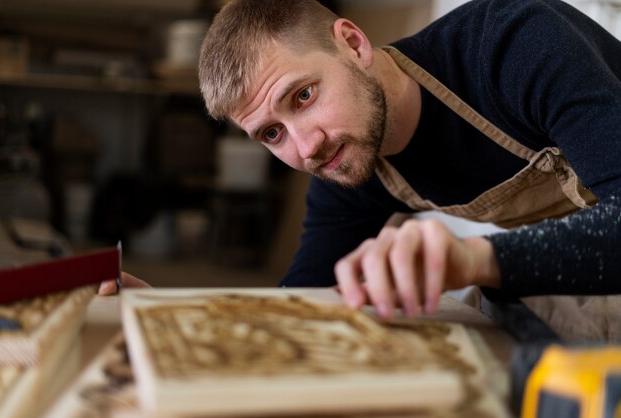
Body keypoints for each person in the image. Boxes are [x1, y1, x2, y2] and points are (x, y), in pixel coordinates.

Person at [113, 0, 621, 340]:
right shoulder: (347, 165)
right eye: (272, 134)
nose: (306, 147)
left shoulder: (513, 46)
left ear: (353, 44)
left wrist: (470, 258)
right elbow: (302, 307)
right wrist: (175, 319)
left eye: (304, 96)